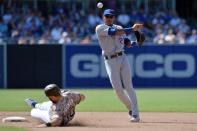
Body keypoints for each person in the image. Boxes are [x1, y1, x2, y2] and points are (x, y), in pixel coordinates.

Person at [95, 9, 143, 122]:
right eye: (107, 16)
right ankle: (130, 107)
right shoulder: (100, 28)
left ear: (114, 18)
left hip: (123, 58)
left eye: (111, 16)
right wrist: (132, 29)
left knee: (129, 86)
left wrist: (137, 42)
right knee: (118, 90)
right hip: (110, 61)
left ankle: (135, 114)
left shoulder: (119, 27)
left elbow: (127, 42)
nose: (109, 18)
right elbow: (114, 32)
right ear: (103, 17)